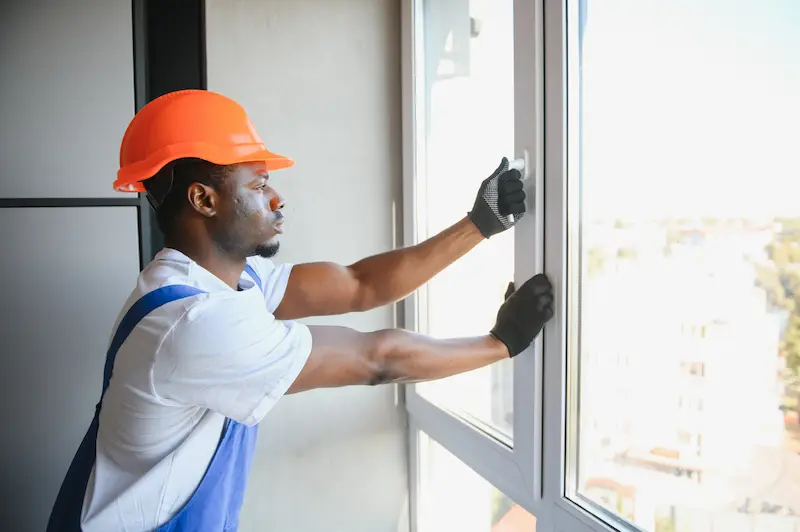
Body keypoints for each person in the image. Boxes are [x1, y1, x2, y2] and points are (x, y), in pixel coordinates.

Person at [47, 90, 554, 532]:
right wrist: (501, 343)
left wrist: (479, 224)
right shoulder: (197, 323)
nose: (277, 198)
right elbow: (375, 360)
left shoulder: (217, 281)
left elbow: (359, 284)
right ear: (203, 199)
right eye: (259, 184)